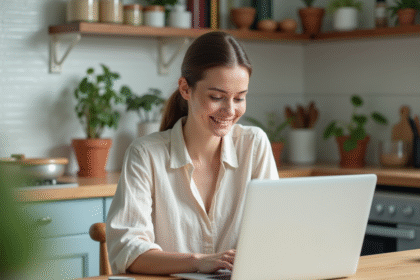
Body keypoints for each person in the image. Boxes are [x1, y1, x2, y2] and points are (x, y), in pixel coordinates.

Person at [106, 31, 279, 275]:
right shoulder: (145, 154)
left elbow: (275, 233)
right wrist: (199, 261)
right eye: (217, 97)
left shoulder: (254, 144)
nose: (230, 110)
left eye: (239, 98)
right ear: (185, 89)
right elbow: (127, 250)